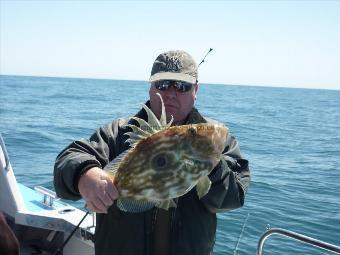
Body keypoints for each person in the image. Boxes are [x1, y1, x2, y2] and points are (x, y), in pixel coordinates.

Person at [54, 50, 250, 255]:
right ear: (151, 88)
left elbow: (234, 196)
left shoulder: (214, 138)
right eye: (163, 84)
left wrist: (213, 166)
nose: (171, 93)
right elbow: (69, 158)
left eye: (182, 86)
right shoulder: (119, 133)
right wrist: (84, 175)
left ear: (196, 90)